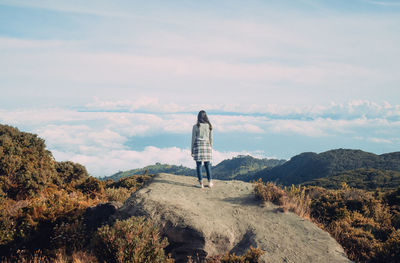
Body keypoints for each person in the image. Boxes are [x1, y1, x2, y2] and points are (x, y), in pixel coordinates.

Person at [191, 110, 213, 188]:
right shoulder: (209, 126)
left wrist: (192, 150)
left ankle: (201, 184)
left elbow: (193, 139)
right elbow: (211, 139)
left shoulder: (195, 126)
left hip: (198, 146)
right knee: (207, 164)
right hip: (207, 146)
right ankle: (210, 182)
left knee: (199, 165)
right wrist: (210, 148)